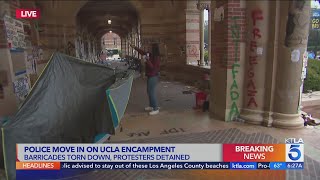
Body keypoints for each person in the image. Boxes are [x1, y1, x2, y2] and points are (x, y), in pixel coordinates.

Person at [130, 43, 160, 115]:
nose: (148, 48)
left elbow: (153, 68)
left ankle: (155, 108)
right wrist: (135, 47)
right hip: (150, 76)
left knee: (151, 92)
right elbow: (142, 52)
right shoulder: (149, 54)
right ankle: (151, 106)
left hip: (154, 76)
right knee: (149, 91)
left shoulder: (156, 57)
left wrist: (146, 60)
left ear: (153, 49)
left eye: (150, 47)